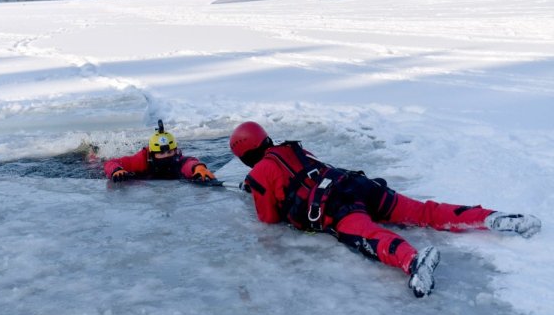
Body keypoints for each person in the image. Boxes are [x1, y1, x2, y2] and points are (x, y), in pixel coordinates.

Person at [229, 121, 541, 298]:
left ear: (244, 155)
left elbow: (268, 219)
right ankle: (490, 218)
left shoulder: (258, 175)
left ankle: (413, 261)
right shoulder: (292, 148)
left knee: (369, 235)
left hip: (336, 206)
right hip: (358, 184)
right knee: (423, 211)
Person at [104, 120, 216, 183]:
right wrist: (116, 170)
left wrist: (198, 168)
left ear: (175, 151)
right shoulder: (141, 160)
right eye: (161, 153)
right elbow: (110, 163)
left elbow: (189, 163)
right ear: (152, 154)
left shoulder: (178, 160)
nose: (166, 156)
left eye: (170, 152)